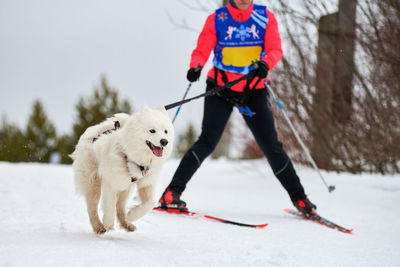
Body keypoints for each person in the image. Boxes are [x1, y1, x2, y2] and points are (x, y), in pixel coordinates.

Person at [159, 0, 317, 216]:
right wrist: (196, 65)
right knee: (207, 141)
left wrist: (266, 64)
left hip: (253, 90)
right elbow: (203, 48)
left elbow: (275, 50)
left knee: (271, 146)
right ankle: (171, 194)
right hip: (221, 88)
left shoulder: (265, 17)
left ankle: (300, 199)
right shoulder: (217, 19)